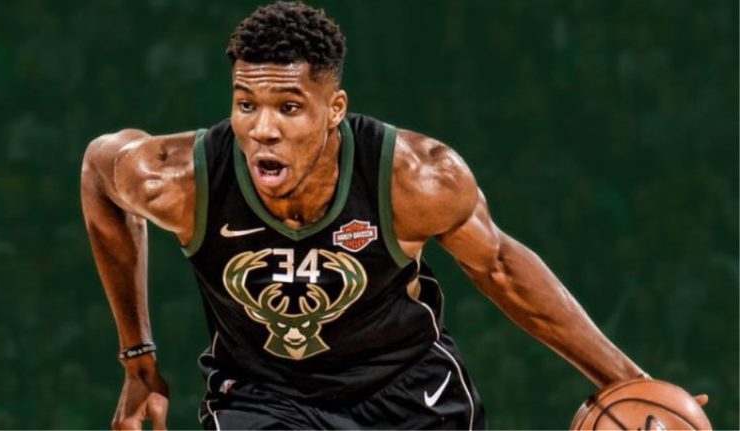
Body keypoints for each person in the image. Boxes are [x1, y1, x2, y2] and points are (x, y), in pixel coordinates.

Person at [80, 2, 663, 429]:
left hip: (407, 390)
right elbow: (97, 176)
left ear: (334, 108)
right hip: (264, 396)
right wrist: (138, 359)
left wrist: (631, 381)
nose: (263, 129)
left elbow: (501, 267)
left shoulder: (416, 177)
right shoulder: (175, 179)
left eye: (289, 107)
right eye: (245, 104)